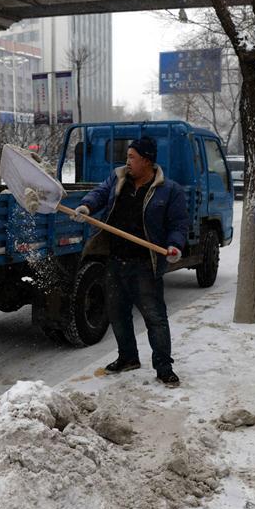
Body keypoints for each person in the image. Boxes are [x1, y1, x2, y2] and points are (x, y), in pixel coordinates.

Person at [72, 136, 188, 387]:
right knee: (117, 313)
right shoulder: (118, 178)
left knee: (154, 317)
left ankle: (164, 367)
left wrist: (175, 245)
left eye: (132, 157)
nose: (127, 162)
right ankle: (128, 357)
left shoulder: (169, 190)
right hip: (116, 260)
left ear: (146, 160)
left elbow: (178, 224)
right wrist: (86, 207)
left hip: (145, 264)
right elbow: (100, 193)